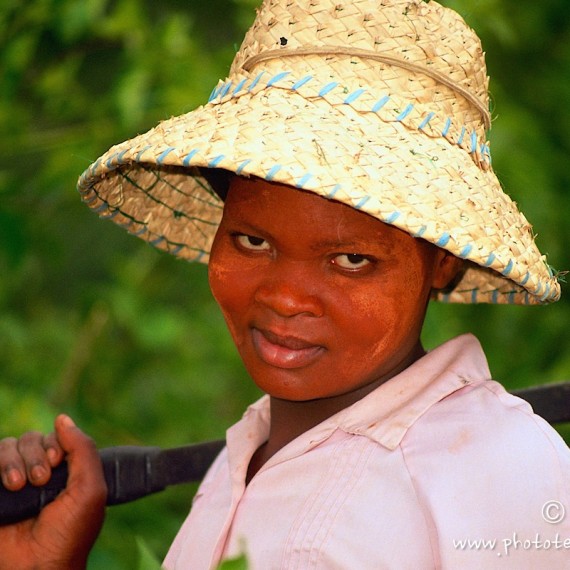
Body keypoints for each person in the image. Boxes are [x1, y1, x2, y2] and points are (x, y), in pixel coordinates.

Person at [1, 0, 568, 568]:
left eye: (350, 259)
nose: (285, 297)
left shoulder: (500, 470)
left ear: (442, 262)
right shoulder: (238, 464)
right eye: (253, 242)